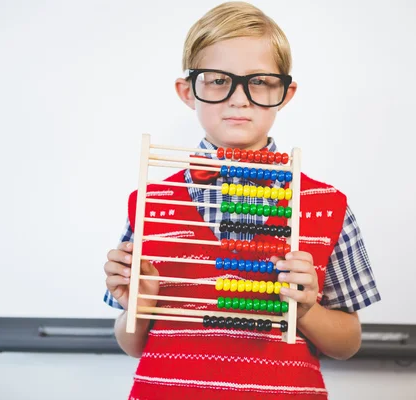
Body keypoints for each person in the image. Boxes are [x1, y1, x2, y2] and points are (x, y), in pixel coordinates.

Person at [103, 2, 380, 399]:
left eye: (261, 81)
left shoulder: (325, 205)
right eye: (217, 80)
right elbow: (131, 346)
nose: (239, 98)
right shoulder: (150, 203)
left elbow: (348, 343)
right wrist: (139, 305)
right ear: (187, 91)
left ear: (285, 93)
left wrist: (306, 310)